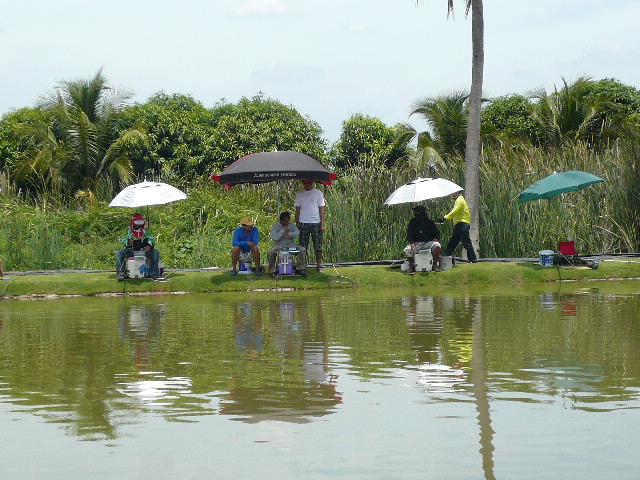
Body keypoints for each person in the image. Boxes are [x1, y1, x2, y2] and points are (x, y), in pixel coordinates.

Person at [116, 213, 160, 281]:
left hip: (144, 251)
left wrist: (149, 245)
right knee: (119, 253)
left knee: (155, 252)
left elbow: (152, 239)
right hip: (132, 251)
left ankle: (154, 273)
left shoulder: (147, 230)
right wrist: (128, 242)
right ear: (133, 222)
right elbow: (123, 240)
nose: (139, 225)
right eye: (137, 223)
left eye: (140, 223)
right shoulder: (128, 230)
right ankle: (121, 273)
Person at [294, 180, 325, 273]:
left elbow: (322, 209)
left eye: (307, 183)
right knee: (303, 245)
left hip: (316, 221)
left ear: (311, 183)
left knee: (318, 245)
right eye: (304, 183)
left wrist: (322, 224)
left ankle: (319, 265)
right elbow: (297, 210)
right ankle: (303, 265)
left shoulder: (318, 193)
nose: (306, 185)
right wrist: (297, 223)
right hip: (303, 222)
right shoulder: (299, 194)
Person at [440, 190, 478, 263]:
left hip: (462, 224)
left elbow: (455, 211)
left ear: (457, 192)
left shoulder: (460, 199)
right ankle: (447, 254)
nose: (451, 193)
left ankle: (473, 259)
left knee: (466, 243)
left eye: (453, 192)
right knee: (453, 241)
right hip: (459, 224)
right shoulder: (459, 199)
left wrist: (445, 217)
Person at [268, 211, 307, 277]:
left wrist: (291, 234)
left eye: (288, 220)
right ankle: (273, 270)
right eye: (286, 221)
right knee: (270, 252)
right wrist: (282, 232)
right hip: (279, 245)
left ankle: (300, 269)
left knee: (302, 250)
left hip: (291, 244)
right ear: (281, 221)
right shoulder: (275, 226)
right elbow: (274, 237)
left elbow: (297, 232)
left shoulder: (291, 225)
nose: (288, 222)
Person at [404, 205, 442, 272]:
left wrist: (435, 238)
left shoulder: (430, 222)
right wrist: (412, 242)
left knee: (437, 246)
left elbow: (437, 234)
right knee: (408, 250)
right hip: (416, 243)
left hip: (428, 242)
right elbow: (409, 235)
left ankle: (434, 264)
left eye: (416, 212)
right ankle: (412, 265)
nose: (414, 213)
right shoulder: (412, 222)